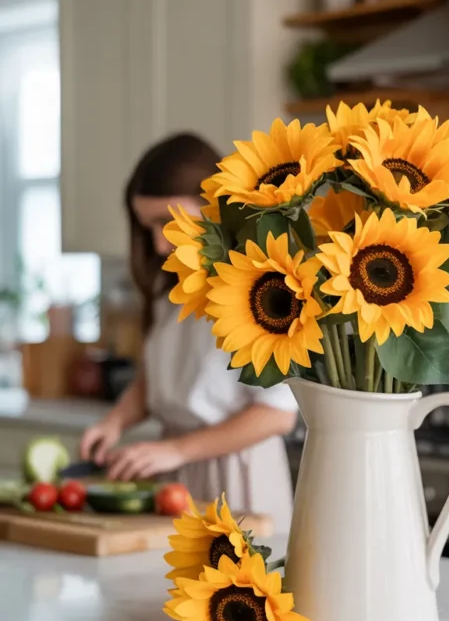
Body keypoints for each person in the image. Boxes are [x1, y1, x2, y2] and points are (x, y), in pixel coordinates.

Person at [80, 134, 298, 532]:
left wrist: (175, 450)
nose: (159, 244)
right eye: (147, 227)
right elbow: (158, 380)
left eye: (167, 221)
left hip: (239, 477)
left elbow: (277, 414)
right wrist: (114, 422)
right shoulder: (172, 291)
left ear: (214, 207)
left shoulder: (259, 290)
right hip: (175, 473)